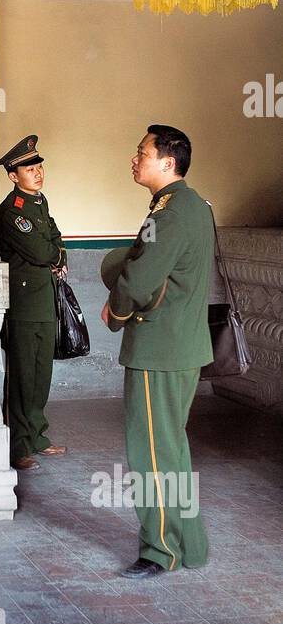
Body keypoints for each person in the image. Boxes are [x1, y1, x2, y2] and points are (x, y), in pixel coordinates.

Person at [100, 125, 213, 578]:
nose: (135, 158)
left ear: (168, 162)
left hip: (158, 347)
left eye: (142, 152)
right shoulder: (190, 205)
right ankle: (192, 546)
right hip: (180, 346)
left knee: (151, 454)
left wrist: (118, 308)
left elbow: (141, 278)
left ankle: (159, 551)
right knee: (172, 450)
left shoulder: (170, 214)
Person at [0, 135, 67, 471]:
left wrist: (57, 254)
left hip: (44, 299)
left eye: (39, 166)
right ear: (13, 176)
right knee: (23, 374)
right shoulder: (12, 210)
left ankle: (38, 435)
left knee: (42, 372)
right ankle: (17, 445)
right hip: (24, 301)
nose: (38, 173)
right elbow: (41, 251)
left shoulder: (40, 203)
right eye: (29, 169)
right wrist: (54, 255)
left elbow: (55, 238)